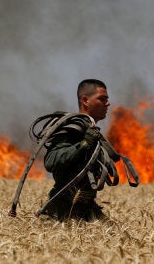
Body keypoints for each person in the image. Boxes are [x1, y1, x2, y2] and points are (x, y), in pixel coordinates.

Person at [41, 79, 111, 221]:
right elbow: (51, 161)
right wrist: (84, 144)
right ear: (85, 100)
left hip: (87, 208)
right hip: (62, 211)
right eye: (102, 99)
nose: (108, 103)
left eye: (107, 99)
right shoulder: (72, 128)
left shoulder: (91, 130)